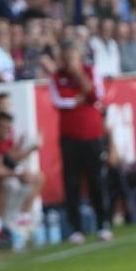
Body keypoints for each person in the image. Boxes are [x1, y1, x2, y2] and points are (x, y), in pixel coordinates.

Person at [44, 41, 111, 243]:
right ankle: (76, 229)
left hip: (92, 135)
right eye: (68, 58)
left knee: (96, 181)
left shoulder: (90, 71)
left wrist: (80, 78)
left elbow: (97, 95)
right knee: (71, 183)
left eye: (75, 57)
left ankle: (103, 224)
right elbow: (60, 101)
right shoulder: (57, 77)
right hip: (70, 138)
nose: (71, 62)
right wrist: (79, 99)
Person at [0, 111, 44, 242]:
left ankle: (16, 222)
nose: (7, 130)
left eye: (8, 127)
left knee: (33, 179)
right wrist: (16, 173)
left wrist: (18, 171)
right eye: (4, 127)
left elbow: (1, 162)